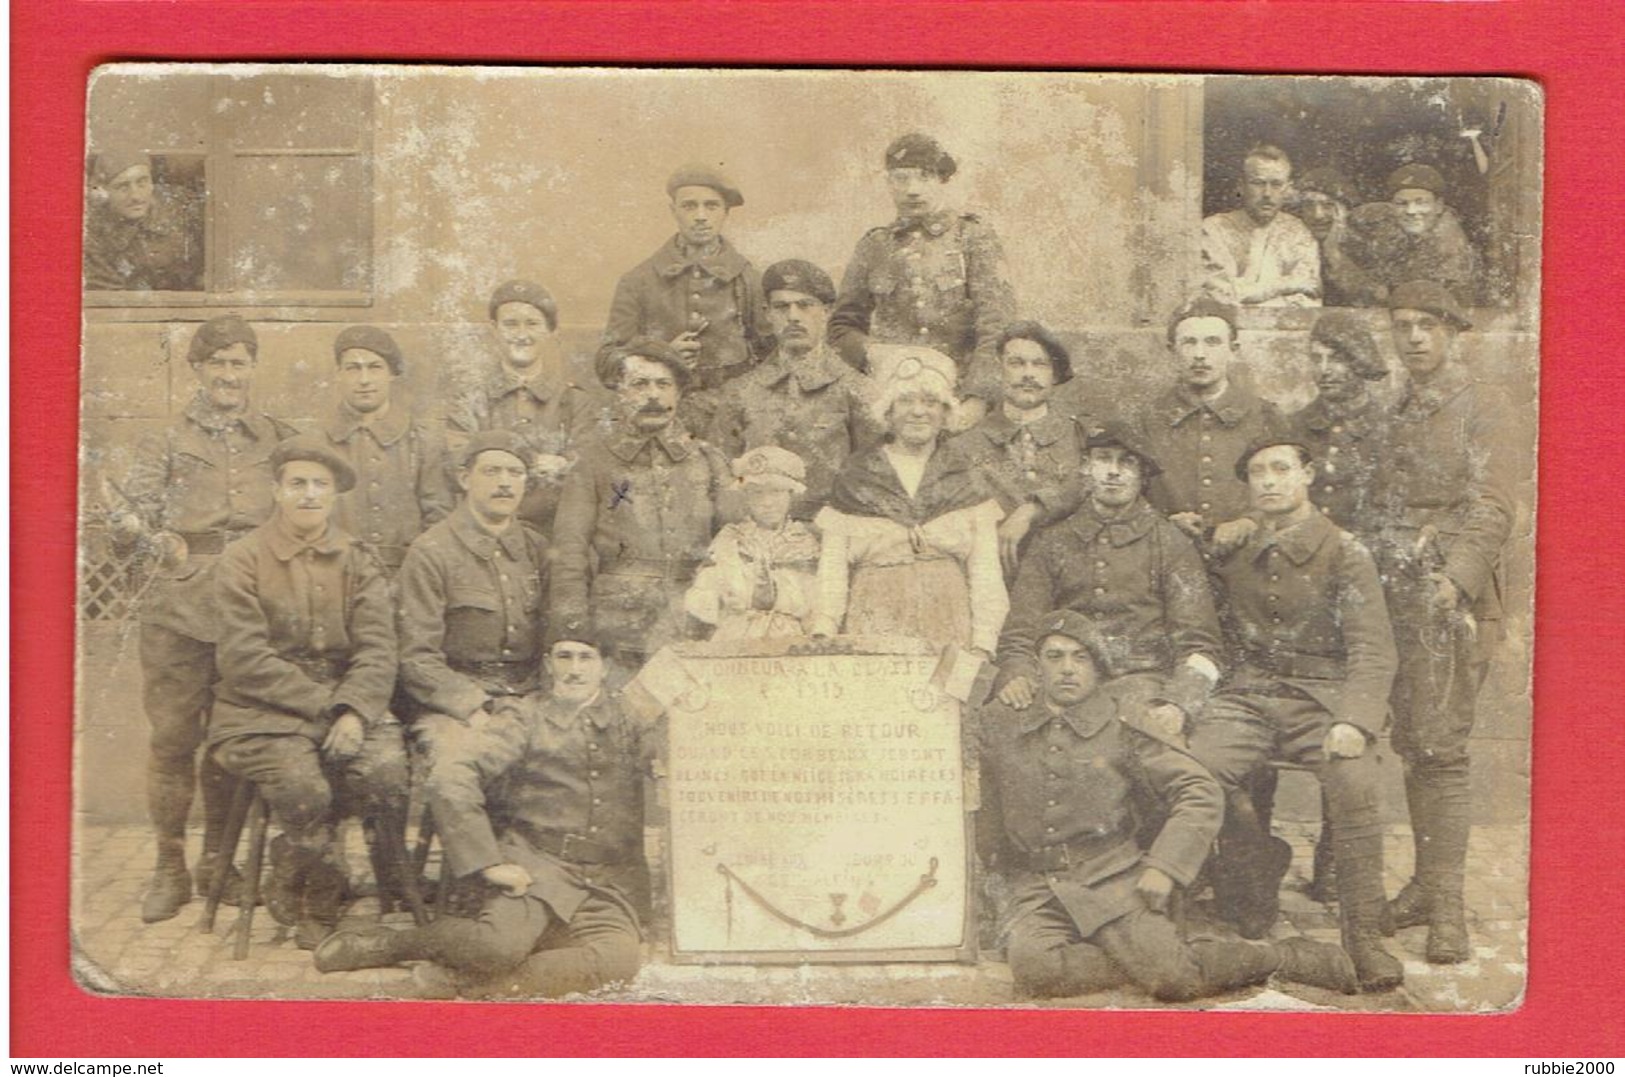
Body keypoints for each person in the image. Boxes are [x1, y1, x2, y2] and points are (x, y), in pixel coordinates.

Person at [978, 610, 1359, 1001]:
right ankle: (1143, 962)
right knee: (1036, 971)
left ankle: (1284, 959)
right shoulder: (1002, 722)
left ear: (1099, 668)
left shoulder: (1123, 725)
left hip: (1111, 877)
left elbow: (1199, 789)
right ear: (1037, 666)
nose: (1067, 669)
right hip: (1038, 888)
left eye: (1081, 657)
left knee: (1175, 981)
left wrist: (1165, 867)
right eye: (1054, 657)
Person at [313, 635, 652, 1000]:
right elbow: (452, 776)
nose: (574, 670)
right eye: (564, 657)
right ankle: (393, 943)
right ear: (548, 663)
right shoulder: (524, 715)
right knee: (495, 948)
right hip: (537, 866)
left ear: (605, 668)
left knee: (620, 963)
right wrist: (487, 863)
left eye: (586, 658)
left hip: (604, 883)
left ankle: (468, 985)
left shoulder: (628, 718)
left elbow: (677, 752)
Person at [1185, 438, 1404, 992]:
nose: (1269, 481)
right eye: (1257, 472)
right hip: (1248, 694)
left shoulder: (1345, 551)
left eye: (1281, 469)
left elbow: (1372, 649)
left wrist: (1354, 719)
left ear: (1307, 474)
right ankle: (1259, 867)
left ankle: (1364, 939)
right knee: (1196, 770)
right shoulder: (1235, 548)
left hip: (1322, 698)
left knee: (1355, 782)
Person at [109, 315, 300, 923]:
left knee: (229, 739)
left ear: (252, 369)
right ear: (196, 369)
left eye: (238, 362)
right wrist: (143, 537)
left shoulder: (274, 438)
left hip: (250, 610)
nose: (228, 374)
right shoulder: (162, 442)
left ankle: (219, 860)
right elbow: (129, 533)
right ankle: (170, 865)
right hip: (179, 611)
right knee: (172, 740)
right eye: (216, 362)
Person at [207, 436, 409, 949]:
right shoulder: (242, 559)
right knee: (305, 786)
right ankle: (314, 894)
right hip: (259, 712)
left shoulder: (357, 560)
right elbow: (243, 659)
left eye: (321, 485)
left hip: (346, 703)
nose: (310, 494)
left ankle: (301, 867)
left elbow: (378, 647)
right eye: (297, 483)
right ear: (276, 491)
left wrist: (356, 711)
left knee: (385, 772)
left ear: (335, 496)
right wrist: (329, 710)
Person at [1372, 281, 1514, 964]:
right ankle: (1426, 888)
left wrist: (1451, 577)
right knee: (1414, 743)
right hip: (1395, 594)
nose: (1414, 337)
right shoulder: (1393, 403)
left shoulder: (1480, 405)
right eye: (1402, 325)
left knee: (1441, 749)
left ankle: (1448, 909)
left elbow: (1490, 506)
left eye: (1427, 324)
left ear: (1454, 331)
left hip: (1447, 601)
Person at [996, 423, 1222, 744]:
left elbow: (1201, 646)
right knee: (1005, 730)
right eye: (1103, 459)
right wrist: (1018, 673)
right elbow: (1021, 631)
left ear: (1143, 476)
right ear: (1086, 468)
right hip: (1062, 681)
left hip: (1141, 681)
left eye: (1127, 462)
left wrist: (1180, 703)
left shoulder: (1171, 544)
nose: (1113, 472)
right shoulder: (1053, 541)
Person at [808, 348, 1008, 656]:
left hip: (949, 622)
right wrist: (824, 627)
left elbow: (985, 573)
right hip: (872, 617)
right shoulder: (856, 476)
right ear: (887, 412)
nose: (918, 411)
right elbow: (832, 568)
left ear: (945, 414)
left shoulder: (965, 477)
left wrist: (983, 644)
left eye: (930, 402)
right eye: (905, 401)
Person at [551, 339, 730, 673]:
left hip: (696, 625)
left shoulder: (708, 461)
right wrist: (574, 630)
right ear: (620, 393)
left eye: (664, 385)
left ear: (678, 394)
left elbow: (733, 544)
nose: (653, 396)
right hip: (617, 632)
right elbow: (569, 554)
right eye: (640, 384)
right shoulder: (592, 463)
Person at [828, 132, 1017, 428]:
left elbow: (997, 325)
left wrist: (976, 401)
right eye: (901, 178)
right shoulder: (875, 245)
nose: (912, 190)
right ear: (889, 184)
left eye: (925, 177)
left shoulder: (972, 238)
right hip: (894, 403)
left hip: (958, 401)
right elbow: (841, 328)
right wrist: (877, 356)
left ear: (943, 181)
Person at [396, 432, 550, 787]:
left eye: (515, 473)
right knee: (461, 773)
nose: (504, 483)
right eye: (492, 471)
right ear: (465, 479)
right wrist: (472, 705)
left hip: (528, 697)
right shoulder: (431, 551)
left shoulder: (537, 549)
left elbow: (553, 638)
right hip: (454, 704)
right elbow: (416, 658)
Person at [597, 167, 769, 433]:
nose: (700, 216)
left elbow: (772, 358)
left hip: (732, 421)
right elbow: (607, 363)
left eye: (711, 206)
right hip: (656, 417)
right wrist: (661, 355)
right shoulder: (638, 280)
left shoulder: (748, 280)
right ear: (673, 210)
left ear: (725, 213)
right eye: (689, 206)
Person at [708, 258, 881, 519]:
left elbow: (873, 479)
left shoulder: (856, 390)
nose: (793, 317)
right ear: (767, 313)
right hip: (756, 537)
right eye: (781, 307)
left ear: (827, 311)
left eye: (805, 305)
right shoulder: (740, 392)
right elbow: (721, 478)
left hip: (831, 537)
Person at [446, 280, 600, 532]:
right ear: (494, 329)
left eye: (532, 324)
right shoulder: (470, 400)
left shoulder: (574, 402)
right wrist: (548, 465)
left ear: (550, 331)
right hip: (485, 531)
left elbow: (588, 471)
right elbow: (457, 466)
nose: (521, 335)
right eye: (510, 324)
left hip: (557, 534)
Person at [950, 321, 1091, 572]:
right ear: (998, 371)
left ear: (1054, 375)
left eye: (1040, 364)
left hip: (1069, 574)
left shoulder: (1082, 438)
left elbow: (1086, 489)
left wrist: (1033, 509)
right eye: (1016, 363)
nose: (1029, 374)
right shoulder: (964, 446)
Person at [322, 325, 454, 573]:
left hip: (407, 574)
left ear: (392, 373)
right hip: (336, 574)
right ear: (338, 374)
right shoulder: (319, 443)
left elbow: (439, 521)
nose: (364, 380)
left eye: (375, 367)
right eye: (353, 368)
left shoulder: (423, 442)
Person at [684, 447, 822, 640]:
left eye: (776, 492)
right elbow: (702, 596)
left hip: (790, 639)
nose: (767, 502)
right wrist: (723, 598)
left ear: (791, 494)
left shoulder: (806, 542)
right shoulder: (731, 539)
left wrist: (778, 593)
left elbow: (818, 604)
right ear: (746, 497)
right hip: (736, 635)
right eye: (757, 493)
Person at [1287, 311, 1392, 538]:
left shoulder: (1390, 428)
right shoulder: (1293, 427)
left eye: (1335, 358)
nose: (1324, 370)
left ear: (1360, 361)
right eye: (1316, 359)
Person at [1200, 144, 1321, 308]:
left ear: (1287, 188)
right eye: (1258, 183)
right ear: (1241, 186)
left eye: (1276, 184)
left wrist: (1250, 294)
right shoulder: (1214, 229)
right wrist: (1284, 286)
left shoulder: (1297, 232)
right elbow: (1221, 295)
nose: (1267, 194)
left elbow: (1309, 298)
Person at [1348, 164, 1481, 307]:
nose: (1411, 211)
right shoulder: (1387, 221)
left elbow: (1410, 302)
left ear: (1438, 206)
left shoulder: (1449, 245)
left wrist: (1334, 254)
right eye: (1401, 203)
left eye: (1421, 202)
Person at [83, 147, 203, 291]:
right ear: (104, 192)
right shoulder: (94, 230)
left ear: (152, 183)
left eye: (142, 183)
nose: (136, 197)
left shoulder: (184, 209)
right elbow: (109, 294)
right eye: (122, 187)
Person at [1293, 167, 1384, 308]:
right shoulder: (1292, 245)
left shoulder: (1366, 249)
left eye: (1328, 205)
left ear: (1345, 210)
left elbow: (1372, 299)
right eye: (1308, 206)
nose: (1318, 215)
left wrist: (1333, 253)